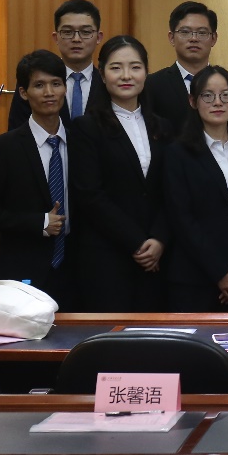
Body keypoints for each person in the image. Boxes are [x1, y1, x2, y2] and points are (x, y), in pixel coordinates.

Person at [70, 36, 171, 312]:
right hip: (106, 257)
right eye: (116, 68)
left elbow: (172, 190)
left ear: (146, 72)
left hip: (158, 258)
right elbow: (90, 195)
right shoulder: (86, 127)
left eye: (135, 67)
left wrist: (159, 239)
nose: (126, 75)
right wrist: (137, 242)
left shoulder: (164, 127)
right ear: (102, 75)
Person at [0, 50, 78, 308]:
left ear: (65, 88)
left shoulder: (82, 142)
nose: (49, 92)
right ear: (23, 92)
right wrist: (39, 222)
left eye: (56, 83)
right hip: (24, 272)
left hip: (78, 271)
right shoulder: (5, 147)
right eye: (39, 85)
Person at [162, 66, 228, 312]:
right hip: (193, 279)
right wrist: (220, 273)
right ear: (193, 101)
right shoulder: (177, 153)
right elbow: (181, 219)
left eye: (226, 95)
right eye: (208, 95)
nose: (218, 102)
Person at [7, 0, 106, 130]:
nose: (76, 39)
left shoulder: (108, 83)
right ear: (56, 37)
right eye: (67, 32)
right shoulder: (33, 81)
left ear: (98, 37)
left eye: (86, 32)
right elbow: (18, 131)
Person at [144, 1, 223, 131]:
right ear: (171, 38)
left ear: (213, 38)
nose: (194, 38)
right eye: (185, 32)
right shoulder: (152, 85)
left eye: (202, 33)